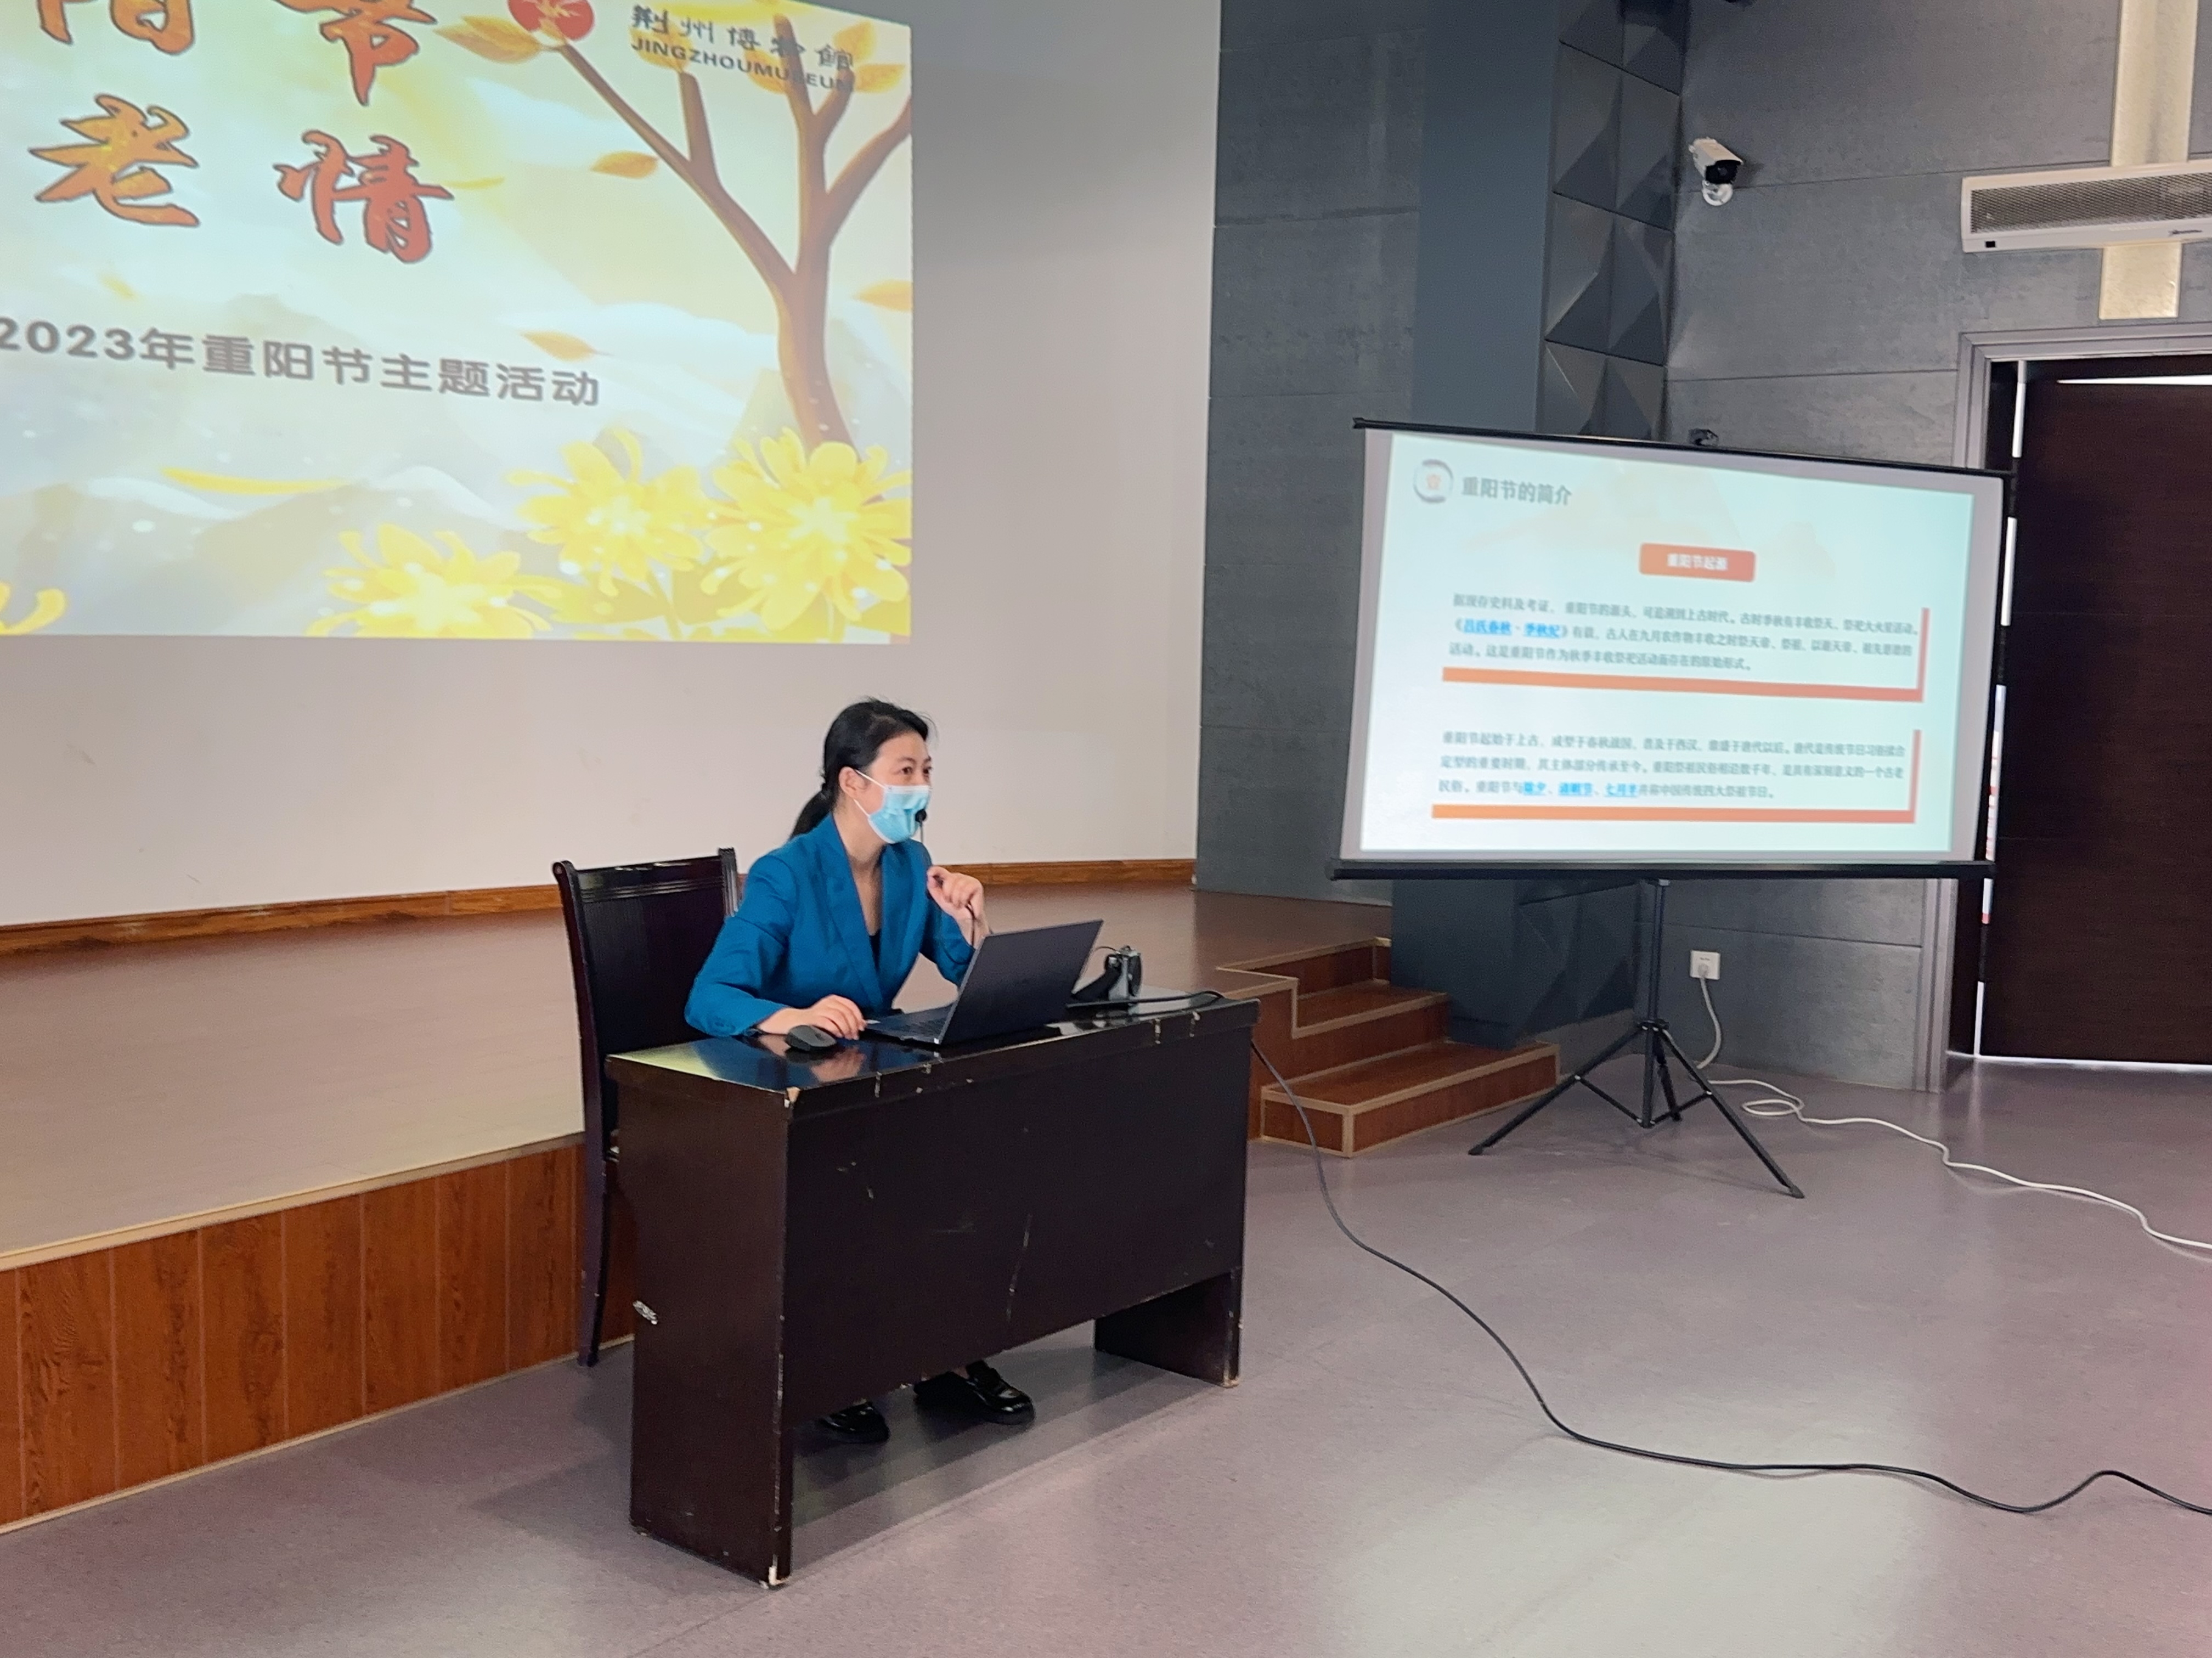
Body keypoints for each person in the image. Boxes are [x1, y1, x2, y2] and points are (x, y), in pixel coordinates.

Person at [685, 698, 1035, 1445]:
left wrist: (974, 920)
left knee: (978, 1147)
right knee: (888, 1175)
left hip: (871, 1076)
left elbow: (969, 976)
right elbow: (709, 996)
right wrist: (792, 1014)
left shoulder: (910, 867)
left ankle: (946, 1354)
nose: (921, 786)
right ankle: (832, 1363)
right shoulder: (786, 873)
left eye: (927, 770)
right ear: (853, 781)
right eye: (905, 771)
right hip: (789, 1087)